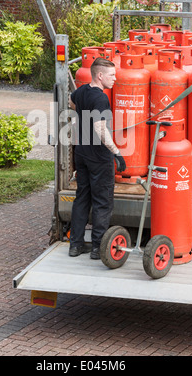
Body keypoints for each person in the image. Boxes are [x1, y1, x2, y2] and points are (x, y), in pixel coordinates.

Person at [69, 57, 126, 259]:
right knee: (102, 201)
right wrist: (116, 152)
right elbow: (100, 129)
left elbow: (71, 101)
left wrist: (84, 116)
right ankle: (97, 248)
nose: (115, 78)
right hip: (98, 157)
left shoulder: (82, 90)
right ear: (100, 76)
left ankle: (75, 245)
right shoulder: (101, 98)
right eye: (112, 75)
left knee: (82, 198)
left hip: (81, 153)